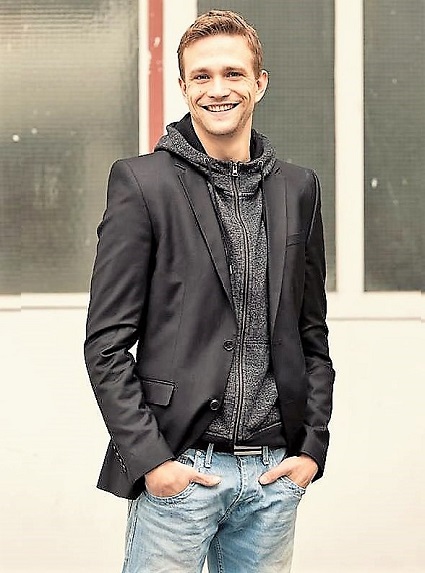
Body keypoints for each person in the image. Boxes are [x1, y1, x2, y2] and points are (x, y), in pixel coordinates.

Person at [84, 9, 335, 573]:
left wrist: (310, 451)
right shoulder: (142, 183)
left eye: (233, 73)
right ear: (184, 86)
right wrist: (152, 462)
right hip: (181, 471)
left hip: (272, 477)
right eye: (202, 76)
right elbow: (105, 344)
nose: (217, 89)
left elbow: (311, 332)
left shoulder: (299, 188)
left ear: (259, 83)